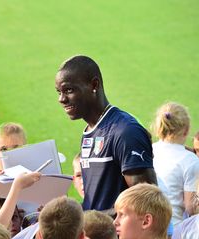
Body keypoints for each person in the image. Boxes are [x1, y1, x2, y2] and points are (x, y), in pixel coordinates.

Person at [55, 55, 156, 212]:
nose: (61, 99)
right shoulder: (90, 131)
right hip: (94, 234)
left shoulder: (125, 131)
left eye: (69, 90)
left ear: (94, 84)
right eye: (58, 92)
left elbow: (146, 202)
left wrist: (95, 220)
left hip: (116, 236)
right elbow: (98, 200)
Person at [151, 102, 199, 224]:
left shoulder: (148, 150)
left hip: (147, 227)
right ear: (186, 130)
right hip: (175, 230)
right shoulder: (190, 160)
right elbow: (191, 208)